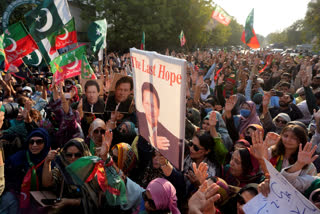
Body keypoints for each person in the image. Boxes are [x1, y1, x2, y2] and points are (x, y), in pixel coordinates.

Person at [42, 138, 100, 214]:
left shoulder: (92, 170)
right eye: (69, 155)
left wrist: (71, 202)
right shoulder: (62, 168)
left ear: (84, 154)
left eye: (77, 155)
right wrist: (47, 162)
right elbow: (47, 183)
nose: (73, 158)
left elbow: (96, 200)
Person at [137, 82, 182, 169]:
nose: (151, 109)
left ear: (159, 105)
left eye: (153, 104)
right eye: (147, 104)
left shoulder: (171, 130)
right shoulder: (142, 128)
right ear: (142, 105)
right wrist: (151, 141)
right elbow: (141, 157)